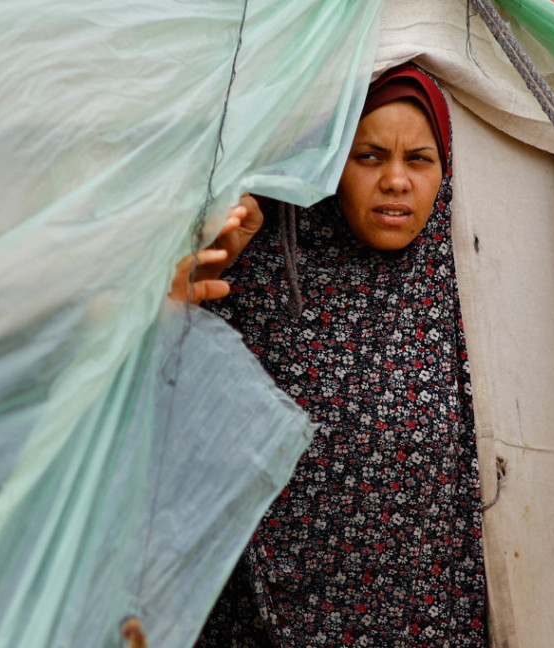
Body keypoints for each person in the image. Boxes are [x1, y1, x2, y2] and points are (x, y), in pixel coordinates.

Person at [175, 63, 486, 647]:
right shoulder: (262, 268)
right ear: (327, 165)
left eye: (418, 159)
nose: (396, 181)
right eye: (368, 157)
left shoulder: (471, 270)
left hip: (427, 609)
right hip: (269, 612)